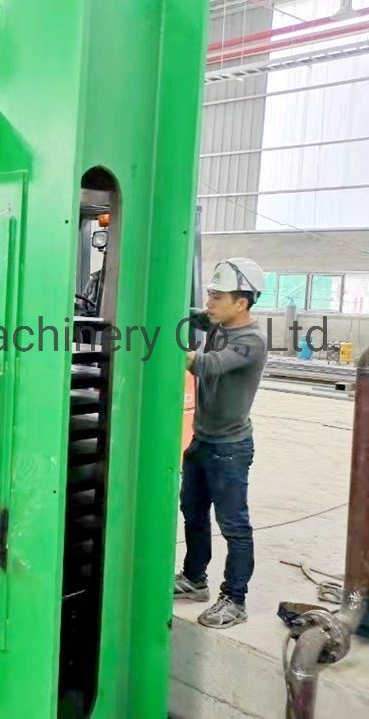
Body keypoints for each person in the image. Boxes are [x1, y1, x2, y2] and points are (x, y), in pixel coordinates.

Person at [174, 257, 268, 629]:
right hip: (202, 441)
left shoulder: (251, 342)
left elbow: (206, 365)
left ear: (241, 302)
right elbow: (188, 314)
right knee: (193, 513)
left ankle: (235, 598)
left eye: (217, 296)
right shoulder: (218, 322)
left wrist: (163, 347)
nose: (209, 302)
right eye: (210, 294)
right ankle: (195, 579)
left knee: (234, 525)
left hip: (230, 449)